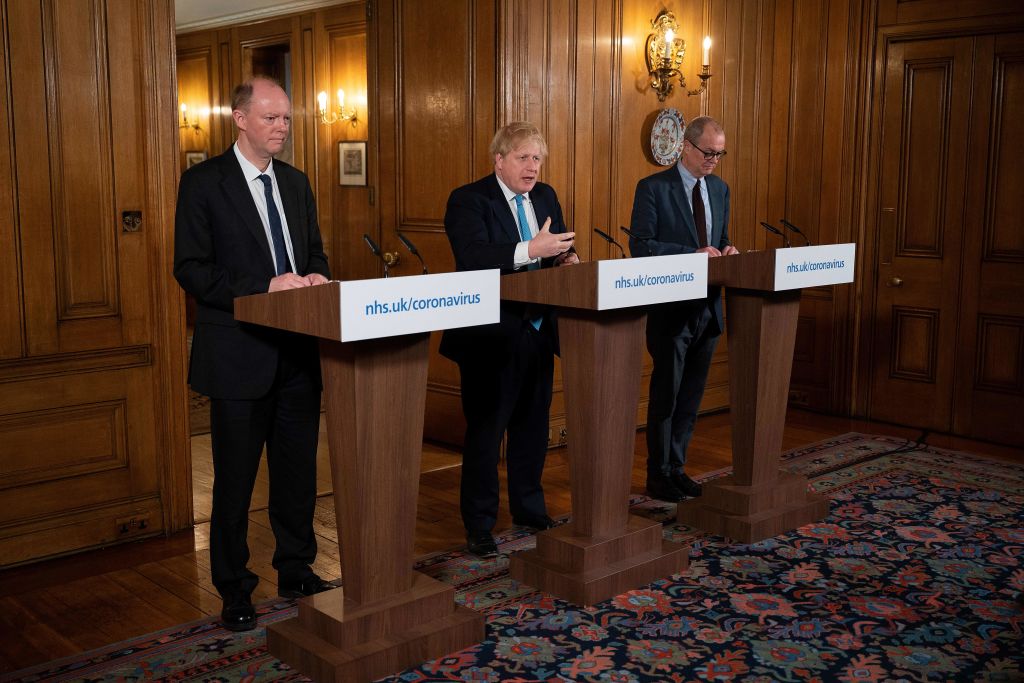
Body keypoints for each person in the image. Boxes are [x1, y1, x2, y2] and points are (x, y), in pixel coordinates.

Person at [174, 76, 334, 632]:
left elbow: (315, 253)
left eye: (287, 118)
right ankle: (234, 587)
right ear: (240, 119)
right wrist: (266, 286)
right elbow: (191, 269)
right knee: (235, 482)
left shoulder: (296, 182)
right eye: (271, 118)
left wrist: (316, 276)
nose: (282, 127)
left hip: (298, 356)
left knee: (297, 474)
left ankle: (296, 569)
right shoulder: (203, 183)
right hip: (238, 357)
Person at [441, 122, 579, 558]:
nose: (532, 167)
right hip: (490, 336)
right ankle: (480, 525)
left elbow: (558, 245)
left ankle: (529, 508)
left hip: (538, 330)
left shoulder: (546, 196)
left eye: (537, 158)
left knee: (533, 428)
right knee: (486, 435)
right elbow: (472, 257)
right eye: (523, 158)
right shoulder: (469, 199)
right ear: (499, 160)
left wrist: (568, 257)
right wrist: (530, 251)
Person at [627, 115, 739, 503]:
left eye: (720, 154)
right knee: (667, 396)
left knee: (691, 398)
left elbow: (720, 240)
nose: (713, 160)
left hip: (709, 309)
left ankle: (677, 468)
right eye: (708, 152)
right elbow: (641, 246)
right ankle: (657, 474)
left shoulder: (720, 189)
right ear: (686, 147)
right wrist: (690, 254)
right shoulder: (653, 188)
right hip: (671, 311)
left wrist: (728, 251)